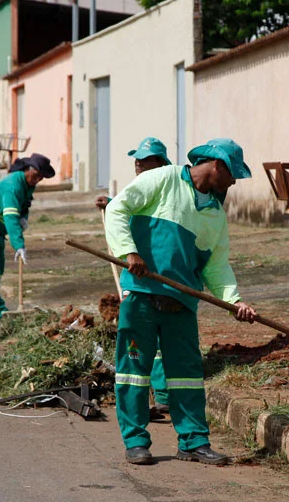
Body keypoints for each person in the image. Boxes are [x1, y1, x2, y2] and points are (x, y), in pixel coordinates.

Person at [105, 138, 257, 466]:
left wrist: (234, 301)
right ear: (217, 166)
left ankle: (193, 442)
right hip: (142, 295)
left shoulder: (215, 214)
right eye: (233, 175)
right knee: (133, 371)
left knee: (186, 374)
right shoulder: (163, 179)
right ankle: (135, 441)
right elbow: (117, 208)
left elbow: (216, 264)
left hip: (182, 302)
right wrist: (128, 251)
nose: (233, 182)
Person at [96, 137, 172, 420]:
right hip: (139, 276)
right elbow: (136, 209)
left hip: (163, 275)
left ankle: (163, 396)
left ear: (161, 162)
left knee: (162, 344)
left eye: (145, 158)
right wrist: (112, 204)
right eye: (136, 158)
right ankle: (143, 405)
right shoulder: (141, 186)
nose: (138, 163)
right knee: (140, 346)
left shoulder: (169, 186)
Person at [0, 153, 55, 321]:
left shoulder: (26, 183)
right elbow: (10, 216)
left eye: (41, 178)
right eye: (36, 176)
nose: (37, 180)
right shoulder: (12, 186)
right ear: (28, 170)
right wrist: (19, 245)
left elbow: (24, 205)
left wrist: (24, 218)